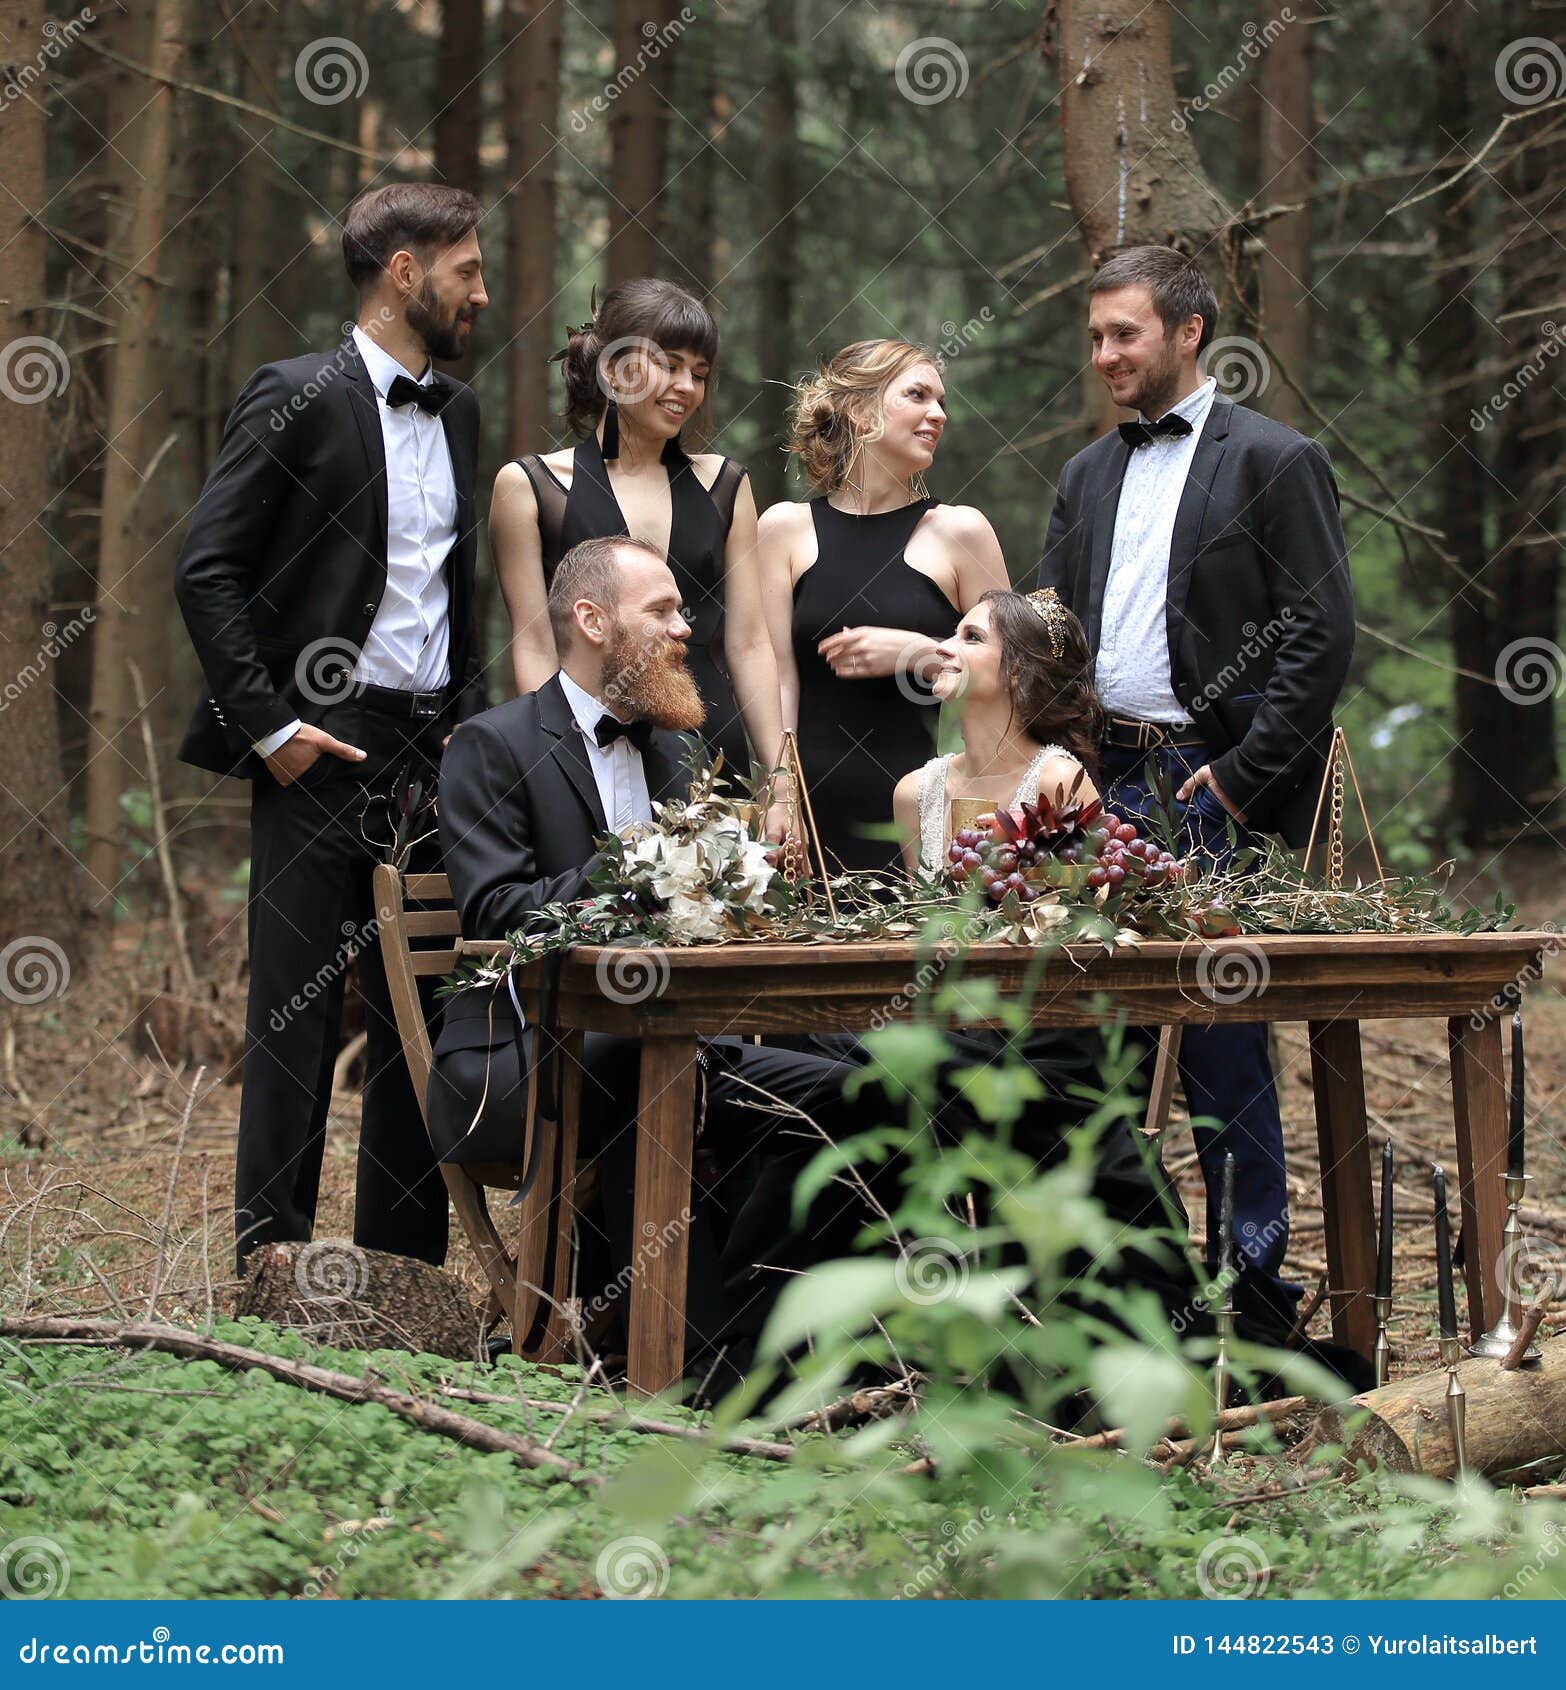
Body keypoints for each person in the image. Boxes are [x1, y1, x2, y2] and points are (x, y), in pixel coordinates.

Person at [431, 535, 865, 1382]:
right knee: (656, 1065)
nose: (686, 628)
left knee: (847, 1066)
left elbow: (705, 912)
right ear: (592, 621)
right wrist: (644, 864)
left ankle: (776, 1341)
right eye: (662, 610)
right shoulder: (493, 744)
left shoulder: (678, 752)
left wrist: (742, 884)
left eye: (682, 609)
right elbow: (500, 914)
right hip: (513, 1058)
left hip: (675, 1034)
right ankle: (688, 1354)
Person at [1036, 244, 1356, 1331]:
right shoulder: (1084, 475)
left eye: (1123, 333)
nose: (1105, 355)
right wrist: (1055, 759)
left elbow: (1321, 633)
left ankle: (1251, 1293)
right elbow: (1054, 637)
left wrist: (1242, 776)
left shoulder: (1276, 459)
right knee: (1092, 1036)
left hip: (1203, 781)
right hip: (1096, 780)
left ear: (1187, 331)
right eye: (1094, 338)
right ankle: (1132, 1290)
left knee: (1221, 1042)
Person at [174, 183, 489, 1275]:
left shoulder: (462, 412)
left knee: (422, 1015)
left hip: (431, 754)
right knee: (295, 1018)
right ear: (405, 272)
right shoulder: (293, 393)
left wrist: (470, 728)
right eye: (467, 270)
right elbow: (205, 568)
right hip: (320, 745)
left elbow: (462, 592)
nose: (482, 293)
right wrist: (274, 727)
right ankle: (273, 1274)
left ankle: (402, 1281)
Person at [490, 278, 790, 845]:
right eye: (669, 365)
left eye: (699, 373)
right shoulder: (529, 486)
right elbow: (532, 644)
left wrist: (779, 782)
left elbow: (749, 642)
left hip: (708, 746)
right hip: (589, 749)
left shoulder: (727, 484)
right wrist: (559, 761)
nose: (686, 387)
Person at [759, 339, 1010, 876]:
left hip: (931, 809)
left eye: (942, 400)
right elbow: (777, 676)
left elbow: (1017, 673)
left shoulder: (960, 531)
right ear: (859, 409)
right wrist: (781, 794)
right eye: (918, 395)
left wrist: (922, 652)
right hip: (811, 807)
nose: (938, 414)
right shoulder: (783, 529)